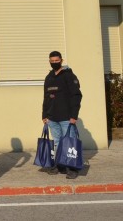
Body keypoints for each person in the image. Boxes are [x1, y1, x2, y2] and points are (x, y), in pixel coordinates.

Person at [42, 50, 82, 179]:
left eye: (56, 61)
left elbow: (76, 95)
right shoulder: (49, 77)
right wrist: (44, 115)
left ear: (61, 61)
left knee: (69, 143)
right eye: (52, 61)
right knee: (57, 143)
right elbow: (46, 97)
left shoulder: (69, 76)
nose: (54, 63)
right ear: (49, 61)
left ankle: (72, 168)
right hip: (52, 118)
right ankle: (59, 165)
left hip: (66, 117)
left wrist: (74, 116)